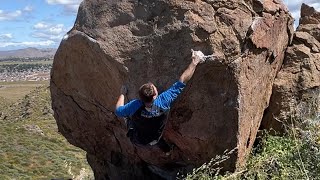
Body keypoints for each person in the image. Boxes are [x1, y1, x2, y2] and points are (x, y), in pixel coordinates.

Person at [115, 50, 205, 153]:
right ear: (155, 96)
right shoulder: (163, 101)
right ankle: (167, 151)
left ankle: (164, 149)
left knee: (127, 117)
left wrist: (122, 93)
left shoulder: (135, 105)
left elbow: (118, 111)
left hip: (138, 139)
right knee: (156, 140)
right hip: (155, 136)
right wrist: (194, 62)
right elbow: (183, 80)